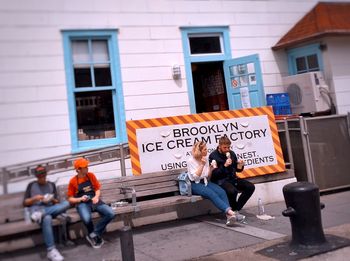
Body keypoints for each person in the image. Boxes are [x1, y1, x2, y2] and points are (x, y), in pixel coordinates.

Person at [23, 165, 70, 261]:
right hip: (36, 209)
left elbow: (57, 203)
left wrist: (52, 199)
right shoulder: (31, 185)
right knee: (47, 218)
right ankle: (51, 251)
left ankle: (41, 213)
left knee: (66, 203)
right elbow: (25, 203)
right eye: (39, 176)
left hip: (50, 208)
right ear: (36, 177)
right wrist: (35, 198)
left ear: (46, 174)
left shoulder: (51, 185)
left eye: (43, 175)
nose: (42, 178)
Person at [187, 141, 239, 226]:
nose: (207, 151)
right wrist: (202, 165)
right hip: (194, 184)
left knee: (221, 191)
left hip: (205, 181)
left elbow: (207, 176)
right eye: (205, 149)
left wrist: (210, 169)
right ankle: (231, 213)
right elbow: (195, 177)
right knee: (211, 193)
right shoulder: (191, 160)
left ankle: (229, 217)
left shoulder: (206, 158)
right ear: (199, 151)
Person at [67, 158, 115, 249]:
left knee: (110, 213)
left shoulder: (91, 176)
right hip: (82, 203)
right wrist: (81, 198)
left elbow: (97, 189)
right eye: (85, 167)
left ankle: (93, 234)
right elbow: (70, 199)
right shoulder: (73, 181)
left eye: (87, 166)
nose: (87, 168)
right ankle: (95, 237)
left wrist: (96, 197)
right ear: (78, 170)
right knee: (87, 218)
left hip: (94, 200)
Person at [209, 136, 255, 221]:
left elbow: (237, 169)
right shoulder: (213, 156)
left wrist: (240, 165)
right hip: (220, 181)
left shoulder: (232, 154)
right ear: (219, 146)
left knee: (250, 187)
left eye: (228, 147)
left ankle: (235, 209)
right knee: (232, 191)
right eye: (225, 147)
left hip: (233, 178)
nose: (227, 149)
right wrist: (224, 165)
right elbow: (214, 174)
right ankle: (233, 211)